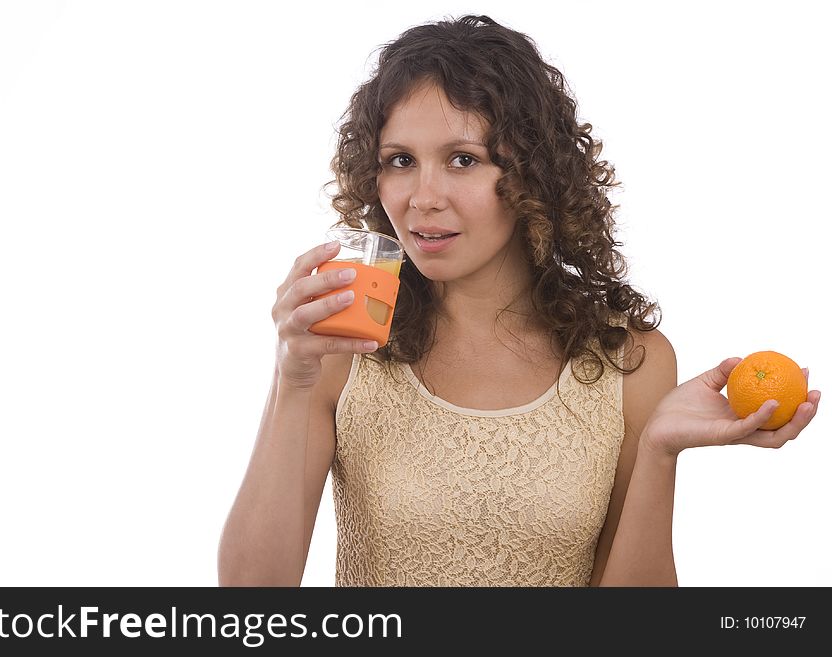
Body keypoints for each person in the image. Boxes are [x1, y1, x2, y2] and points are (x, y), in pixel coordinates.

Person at [217, 15, 820, 587]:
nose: (423, 197)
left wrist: (660, 453)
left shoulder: (628, 361)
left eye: (462, 160)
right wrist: (290, 383)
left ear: (532, 172)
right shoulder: (344, 346)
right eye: (400, 161)